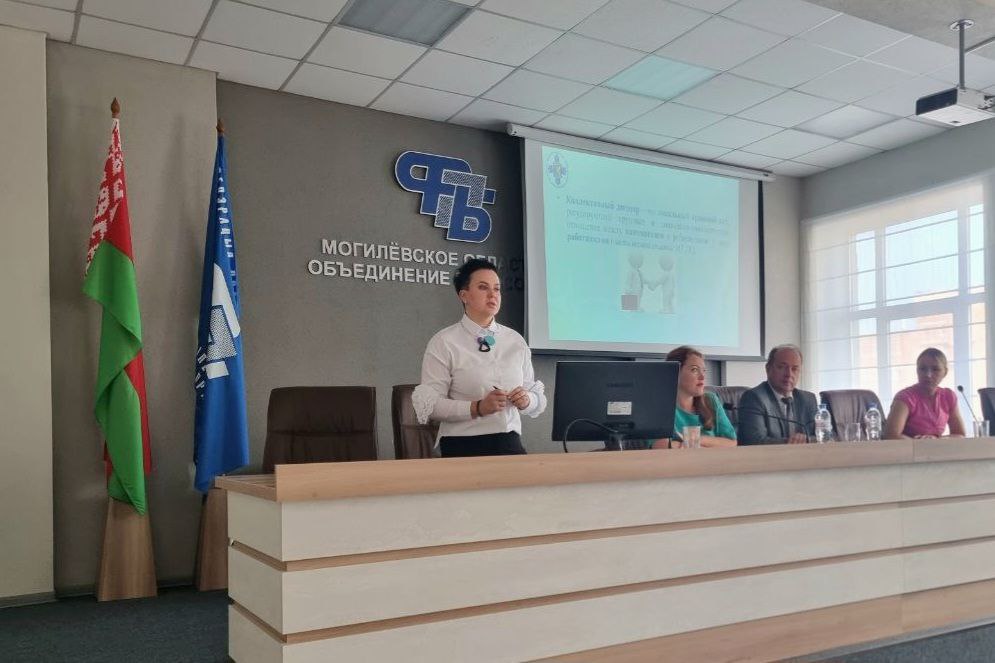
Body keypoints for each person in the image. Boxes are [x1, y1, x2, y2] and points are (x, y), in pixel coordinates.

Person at [412, 258, 546, 457]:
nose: (493, 295)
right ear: (464, 295)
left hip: (509, 443)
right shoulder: (444, 342)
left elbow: (536, 398)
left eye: (497, 289)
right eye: (483, 287)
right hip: (462, 445)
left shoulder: (515, 341)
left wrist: (527, 400)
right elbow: (431, 405)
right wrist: (477, 408)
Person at [652, 346, 736, 448]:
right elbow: (661, 446)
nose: (702, 377)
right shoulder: (658, 405)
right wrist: (710, 444)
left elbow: (731, 442)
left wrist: (698, 439)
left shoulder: (710, 400)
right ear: (674, 372)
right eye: (694, 370)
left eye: (704, 371)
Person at [738, 344, 818, 445]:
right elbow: (755, 441)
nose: (789, 374)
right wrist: (794, 442)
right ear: (768, 369)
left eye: (794, 369)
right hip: (768, 455)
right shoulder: (754, 398)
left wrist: (807, 439)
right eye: (782, 367)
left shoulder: (808, 399)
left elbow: (828, 436)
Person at [883, 347, 965, 439]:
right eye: (922, 369)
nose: (928, 375)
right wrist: (921, 444)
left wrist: (938, 441)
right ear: (917, 370)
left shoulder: (948, 396)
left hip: (937, 447)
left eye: (935, 369)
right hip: (907, 447)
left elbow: (960, 435)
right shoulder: (905, 397)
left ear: (945, 372)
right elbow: (891, 435)